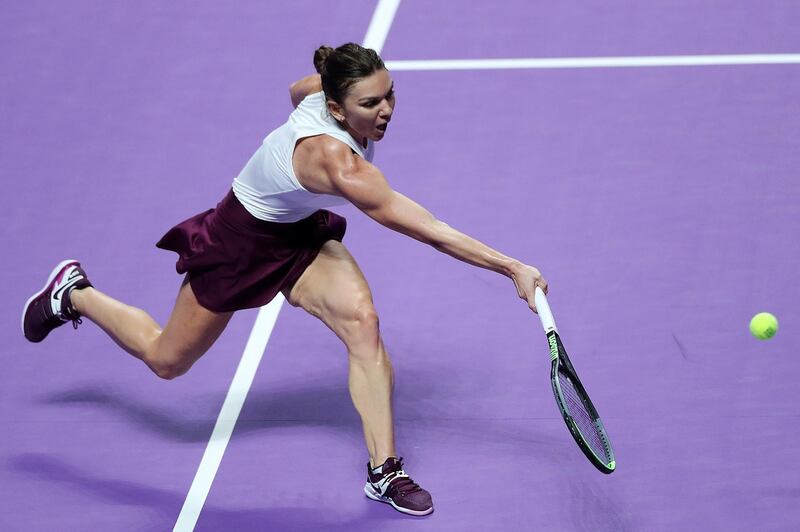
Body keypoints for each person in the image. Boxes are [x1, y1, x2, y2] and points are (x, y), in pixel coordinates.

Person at [21, 43, 548, 517]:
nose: (385, 110)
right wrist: (513, 267)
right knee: (166, 360)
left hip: (297, 233)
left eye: (389, 95)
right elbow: (430, 230)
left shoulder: (323, 91)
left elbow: (300, 88)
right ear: (338, 110)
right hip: (239, 241)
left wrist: (328, 88)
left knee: (363, 322)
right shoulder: (340, 166)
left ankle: (384, 470)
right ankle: (76, 293)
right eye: (370, 104)